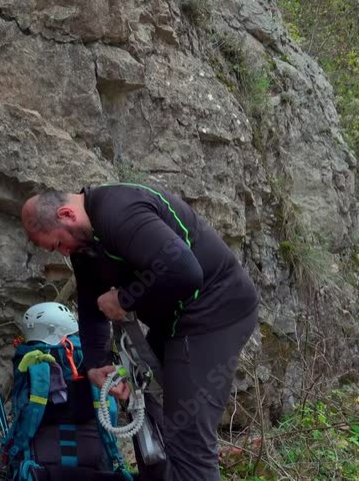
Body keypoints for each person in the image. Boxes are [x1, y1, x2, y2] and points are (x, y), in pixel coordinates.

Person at [21, 183, 260, 481]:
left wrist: (124, 298)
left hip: (215, 313)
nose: (63, 253)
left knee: (187, 437)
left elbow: (184, 270)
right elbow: (92, 303)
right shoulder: (85, 246)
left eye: (58, 245)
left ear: (67, 214)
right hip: (173, 323)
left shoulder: (120, 212)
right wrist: (96, 364)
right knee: (146, 419)